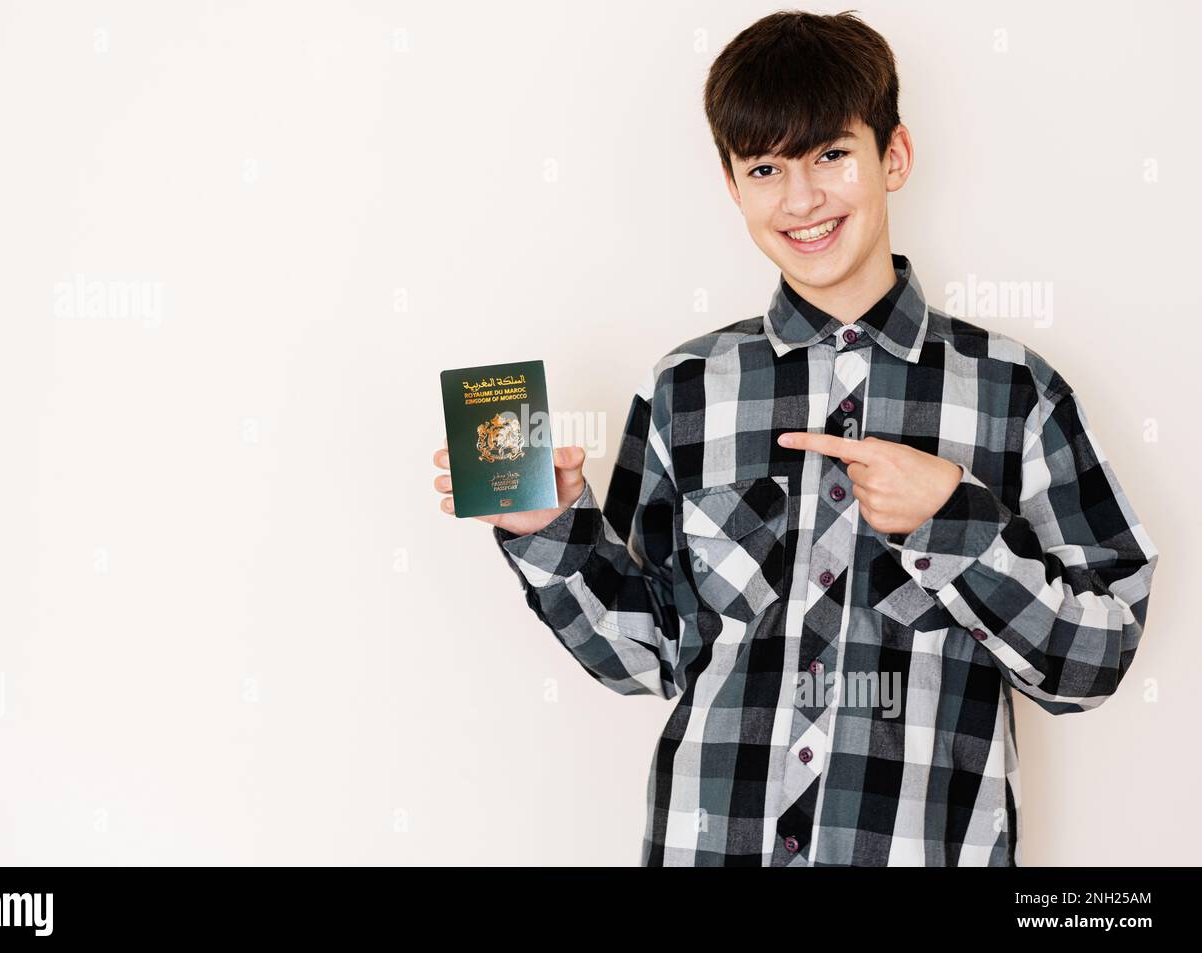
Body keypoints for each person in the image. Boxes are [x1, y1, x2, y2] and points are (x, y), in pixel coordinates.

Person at [431, 9, 1157, 866]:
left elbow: (1095, 661)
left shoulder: (1015, 391)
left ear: (894, 157)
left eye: (831, 155)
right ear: (732, 187)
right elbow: (648, 656)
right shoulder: (684, 391)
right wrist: (550, 533)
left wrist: (952, 522)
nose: (801, 199)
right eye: (766, 167)